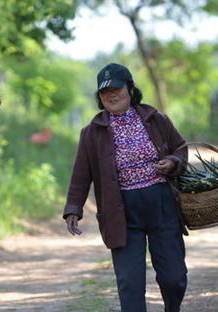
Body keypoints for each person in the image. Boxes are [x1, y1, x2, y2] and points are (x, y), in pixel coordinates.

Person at [64, 63, 189, 311]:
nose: (111, 94)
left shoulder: (156, 119)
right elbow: (81, 173)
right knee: (129, 284)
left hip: (161, 205)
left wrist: (173, 162)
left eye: (117, 88)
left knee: (173, 278)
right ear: (99, 97)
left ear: (130, 89)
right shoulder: (91, 132)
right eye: (104, 91)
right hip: (120, 212)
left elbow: (180, 149)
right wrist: (73, 208)